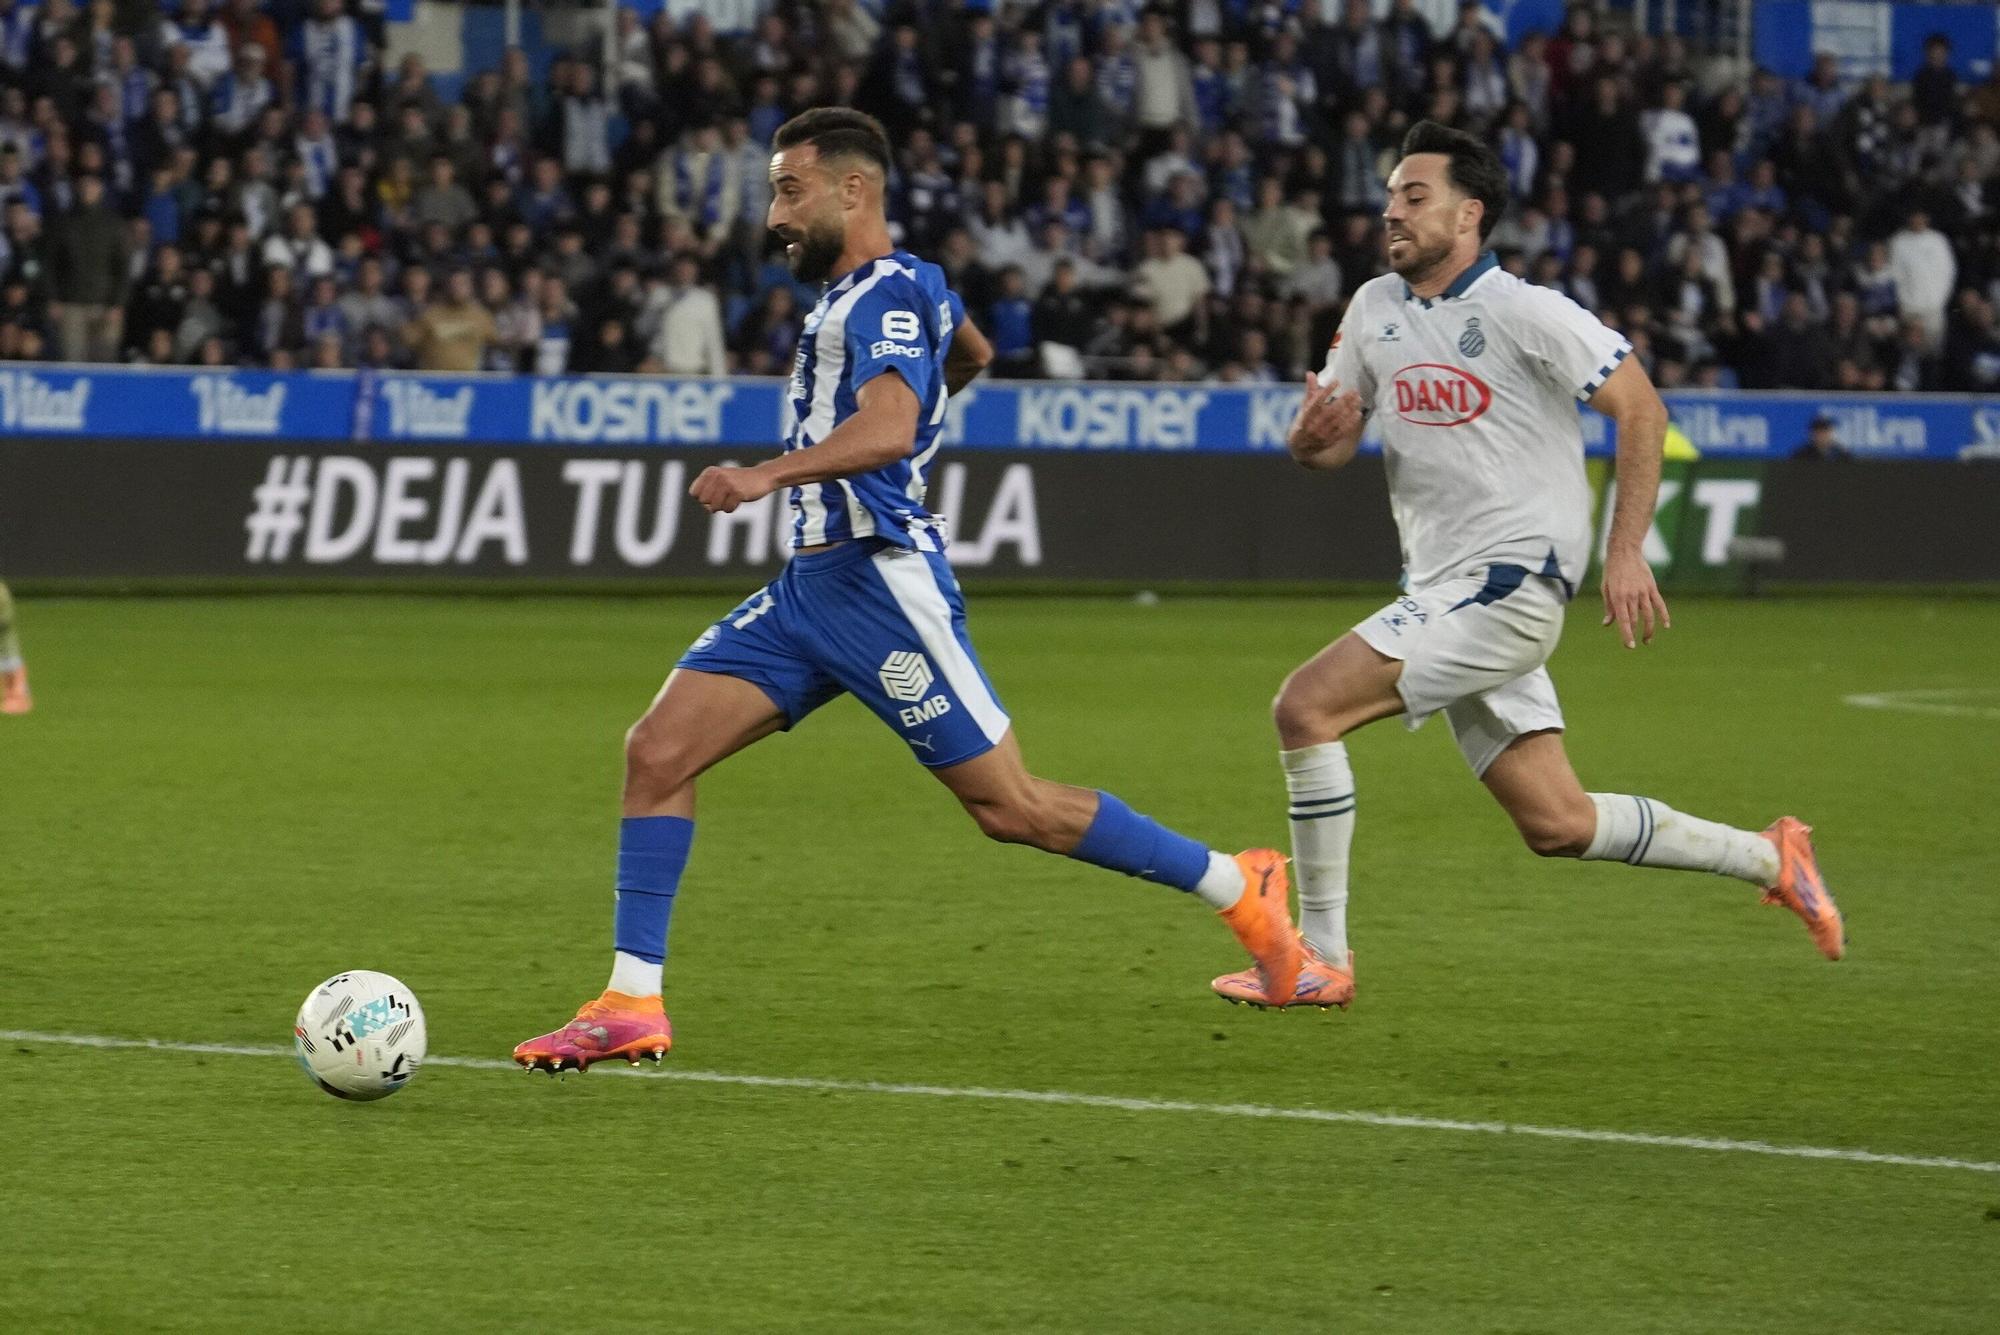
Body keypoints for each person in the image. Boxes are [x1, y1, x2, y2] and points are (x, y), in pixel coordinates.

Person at [512, 109, 1299, 1074]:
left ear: (855, 190)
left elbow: (888, 424)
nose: (775, 216)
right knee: (658, 751)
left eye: (791, 190)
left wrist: (770, 472)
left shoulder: (874, 302)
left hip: (880, 585)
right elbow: (969, 354)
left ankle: (1241, 886)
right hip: (810, 590)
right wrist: (917, 417)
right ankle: (632, 998)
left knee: (1012, 807)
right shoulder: (907, 286)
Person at [1216, 122, 1843, 1011]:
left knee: (1305, 706)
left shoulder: (1526, 311)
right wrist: (1308, 441)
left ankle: (1317, 954)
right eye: (1392, 194)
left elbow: (1643, 409)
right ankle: (1771, 856)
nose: (1391, 209)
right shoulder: (1371, 309)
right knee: (1559, 823)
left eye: (1414, 195)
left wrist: (1624, 549)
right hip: (1441, 590)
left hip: (1506, 586)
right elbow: (1325, 445)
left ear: (1469, 215)